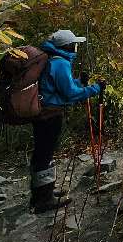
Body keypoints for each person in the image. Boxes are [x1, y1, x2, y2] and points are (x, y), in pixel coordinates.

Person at [32, 29, 104, 213]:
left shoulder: (50, 59)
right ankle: (43, 200)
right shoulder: (61, 63)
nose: (76, 48)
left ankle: (44, 192)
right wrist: (96, 88)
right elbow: (70, 94)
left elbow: (60, 87)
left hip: (42, 114)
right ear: (67, 46)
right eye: (74, 44)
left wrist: (79, 81)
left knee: (42, 153)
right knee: (45, 154)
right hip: (50, 115)